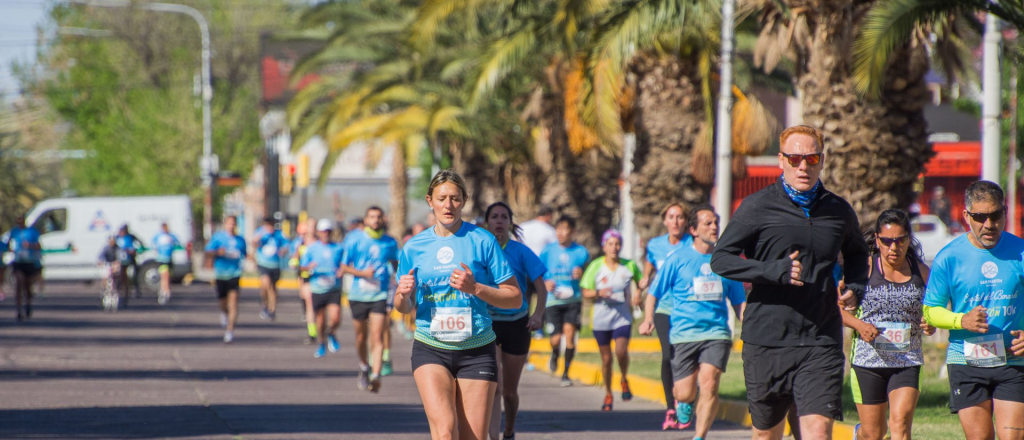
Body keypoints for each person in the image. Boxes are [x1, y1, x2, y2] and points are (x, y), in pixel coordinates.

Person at [710, 125, 869, 440]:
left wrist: (856, 285)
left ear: (821, 161)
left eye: (811, 158)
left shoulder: (837, 210)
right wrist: (773, 270)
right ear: (781, 160)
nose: (803, 167)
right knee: (766, 434)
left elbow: (856, 252)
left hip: (819, 338)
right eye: (795, 158)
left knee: (818, 431)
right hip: (767, 339)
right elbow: (721, 259)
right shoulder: (757, 207)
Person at [394, 169, 521, 440]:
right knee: (445, 431)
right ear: (430, 201)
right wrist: (404, 295)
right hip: (431, 347)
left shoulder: (483, 240)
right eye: (441, 198)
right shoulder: (414, 247)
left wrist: (475, 288)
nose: (448, 205)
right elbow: (402, 306)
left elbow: (515, 297)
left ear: (464, 200)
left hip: (476, 349)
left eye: (454, 198)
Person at [923, 180, 1024, 440]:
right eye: (980, 217)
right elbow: (930, 310)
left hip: (1013, 358)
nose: (989, 224)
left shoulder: (1020, 251)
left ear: (1005, 211)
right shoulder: (949, 257)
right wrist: (961, 320)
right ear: (966, 215)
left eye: (995, 215)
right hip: (966, 360)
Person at [641, 205, 745, 440]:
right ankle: (683, 401)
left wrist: (747, 324)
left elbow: (739, 301)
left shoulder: (726, 261)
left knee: (709, 383)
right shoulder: (678, 258)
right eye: (708, 223)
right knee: (685, 391)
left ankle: (700, 436)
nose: (714, 227)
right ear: (693, 230)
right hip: (684, 334)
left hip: (717, 333)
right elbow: (654, 293)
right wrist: (648, 319)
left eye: (716, 222)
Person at [840, 209, 935, 440]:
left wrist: (930, 324)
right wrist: (859, 325)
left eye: (900, 240)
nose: (894, 248)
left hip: (907, 360)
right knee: (874, 433)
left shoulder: (921, 272)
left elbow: (934, 310)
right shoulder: (864, 269)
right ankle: (858, 434)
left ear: (908, 240)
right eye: (887, 241)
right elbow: (835, 308)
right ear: (877, 240)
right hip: (868, 361)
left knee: (900, 424)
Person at [484, 201, 548, 440]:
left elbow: (541, 287)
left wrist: (538, 314)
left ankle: (509, 429)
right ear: (486, 222)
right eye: (494, 217)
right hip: (488, 324)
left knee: (509, 393)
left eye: (503, 217)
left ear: (510, 223)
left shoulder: (520, 251)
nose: (499, 221)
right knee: (494, 386)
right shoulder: (481, 250)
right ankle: (492, 435)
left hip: (517, 324)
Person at [638, 202, 693, 429]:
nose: (675, 222)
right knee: (668, 355)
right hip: (664, 307)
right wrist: (643, 281)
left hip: (689, 308)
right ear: (665, 221)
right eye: (671, 217)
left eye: (680, 217)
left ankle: (686, 399)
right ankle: (672, 406)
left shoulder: (693, 243)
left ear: (686, 221)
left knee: (686, 356)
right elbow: (650, 265)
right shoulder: (656, 245)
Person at [581, 228, 642, 411]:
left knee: (621, 352)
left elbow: (640, 283)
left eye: (617, 244)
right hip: (601, 319)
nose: (614, 248)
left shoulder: (629, 265)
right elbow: (585, 291)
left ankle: (624, 379)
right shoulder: (596, 266)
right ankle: (608, 393)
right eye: (611, 244)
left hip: (622, 317)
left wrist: (638, 294)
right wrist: (599, 292)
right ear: (604, 246)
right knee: (606, 359)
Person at [341, 206, 399, 391]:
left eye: (378, 217)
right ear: (365, 220)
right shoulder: (354, 239)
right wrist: (362, 273)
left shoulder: (390, 242)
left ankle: (376, 374)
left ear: (383, 219)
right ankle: (364, 366)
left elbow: (397, 264)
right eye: (372, 217)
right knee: (361, 337)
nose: (375, 220)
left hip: (379, 295)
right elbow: (344, 267)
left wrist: (396, 280)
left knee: (377, 335)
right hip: (358, 294)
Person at [540, 216, 590, 386]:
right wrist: (546, 281)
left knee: (569, 335)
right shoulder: (547, 251)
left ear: (573, 231)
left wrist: (581, 273)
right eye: (558, 228)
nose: (560, 233)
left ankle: (566, 373)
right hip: (553, 300)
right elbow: (539, 272)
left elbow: (589, 276)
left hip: (573, 299)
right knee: (555, 340)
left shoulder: (581, 252)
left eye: (564, 229)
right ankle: (555, 354)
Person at [302, 218, 344, 359]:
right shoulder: (312, 248)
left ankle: (331, 332)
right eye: (323, 231)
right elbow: (302, 266)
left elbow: (345, 263)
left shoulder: (338, 248)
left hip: (333, 289)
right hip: (318, 289)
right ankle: (321, 343)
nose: (325, 234)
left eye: (328, 231)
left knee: (336, 317)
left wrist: (342, 270)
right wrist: (309, 267)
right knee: (320, 320)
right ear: (318, 233)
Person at [205, 216, 247, 343]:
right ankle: (224, 313)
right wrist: (218, 252)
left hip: (235, 274)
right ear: (225, 225)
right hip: (221, 274)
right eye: (229, 224)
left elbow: (244, 254)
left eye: (233, 224)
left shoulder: (240, 240)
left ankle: (230, 331)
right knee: (223, 302)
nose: (231, 226)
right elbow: (208, 252)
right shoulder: (218, 237)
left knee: (233, 303)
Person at [289, 218, 319, 344]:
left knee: (318, 307)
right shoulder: (301, 243)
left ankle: (321, 327)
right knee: (309, 303)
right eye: (310, 225)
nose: (312, 228)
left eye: (314, 225)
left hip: (319, 277)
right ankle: (312, 332)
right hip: (305, 276)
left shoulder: (320, 243)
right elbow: (295, 257)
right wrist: (294, 263)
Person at [253, 217, 288, 321]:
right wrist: (259, 237)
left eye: (271, 225)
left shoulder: (279, 234)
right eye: (267, 225)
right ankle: (264, 304)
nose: (269, 227)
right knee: (265, 284)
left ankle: (272, 310)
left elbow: (286, 245)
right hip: (263, 263)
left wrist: (283, 251)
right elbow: (254, 243)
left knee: (272, 288)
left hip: (275, 264)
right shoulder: (260, 232)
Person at [10, 215, 42, 321]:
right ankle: (18, 310)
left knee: (28, 287)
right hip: (18, 262)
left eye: (21, 221)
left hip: (30, 262)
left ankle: (28, 303)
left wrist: (30, 245)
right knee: (19, 284)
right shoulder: (14, 232)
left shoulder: (32, 232)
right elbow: (8, 244)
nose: (20, 224)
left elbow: (39, 246)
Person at [152, 223, 180, 305]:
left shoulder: (171, 236)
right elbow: (153, 243)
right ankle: (165, 292)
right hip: (161, 259)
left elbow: (177, 243)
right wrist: (156, 250)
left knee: (167, 277)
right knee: (165, 276)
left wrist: (173, 248)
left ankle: (164, 290)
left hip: (169, 259)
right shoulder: (158, 236)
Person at [116, 225, 142, 298]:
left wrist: (136, 251)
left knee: (133, 274)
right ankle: (119, 289)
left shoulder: (131, 237)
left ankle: (136, 289)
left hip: (131, 258)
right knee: (120, 275)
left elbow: (140, 244)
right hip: (121, 260)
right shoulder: (117, 238)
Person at [98, 235, 122, 311]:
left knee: (116, 276)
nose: (112, 242)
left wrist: (117, 263)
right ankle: (103, 288)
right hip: (107, 264)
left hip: (114, 265)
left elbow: (120, 257)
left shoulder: (117, 248)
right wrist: (100, 262)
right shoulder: (106, 248)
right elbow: (101, 256)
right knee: (105, 276)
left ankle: (117, 287)